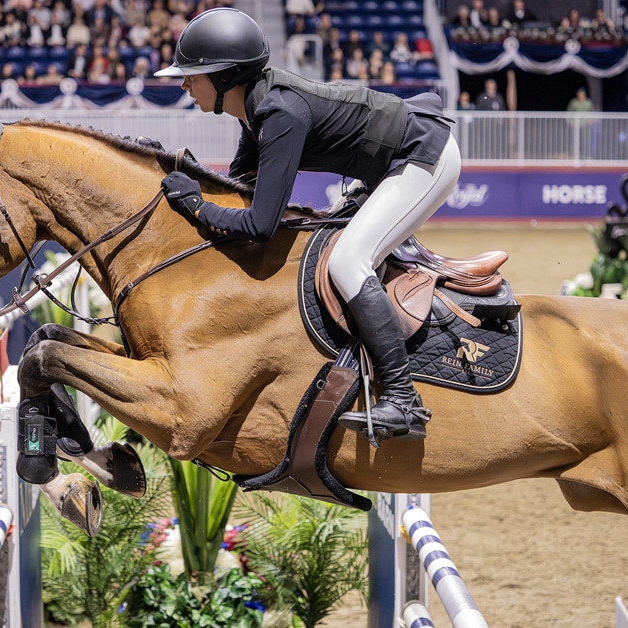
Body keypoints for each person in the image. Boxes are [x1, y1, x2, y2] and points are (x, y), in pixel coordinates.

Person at [154, 8, 459, 443]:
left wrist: (198, 208)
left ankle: (403, 399)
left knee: (349, 261)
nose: (185, 84)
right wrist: (168, 168)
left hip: (423, 155)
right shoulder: (255, 108)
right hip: (395, 159)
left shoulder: (279, 112)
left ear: (224, 78)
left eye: (191, 75)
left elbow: (261, 224)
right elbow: (238, 188)